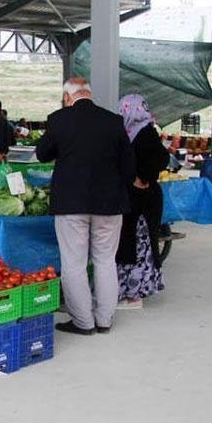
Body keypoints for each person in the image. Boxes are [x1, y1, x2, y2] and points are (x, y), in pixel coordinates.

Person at [34, 78, 135, 335]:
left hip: (71, 203)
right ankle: (104, 320)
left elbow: (42, 153)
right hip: (110, 204)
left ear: (68, 98)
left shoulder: (59, 119)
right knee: (104, 260)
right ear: (89, 94)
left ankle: (83, 322)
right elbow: (129, 167)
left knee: (74, 263)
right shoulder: (113, 121)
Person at [116, 94, 171, 309]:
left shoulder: (145, 132)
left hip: (143, 200)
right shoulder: (130, 132)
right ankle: (128, 291)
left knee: (139, 245)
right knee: (129, 243)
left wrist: (143, 177)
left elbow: (161, 158)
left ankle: (135, 294)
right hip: (134, 197)